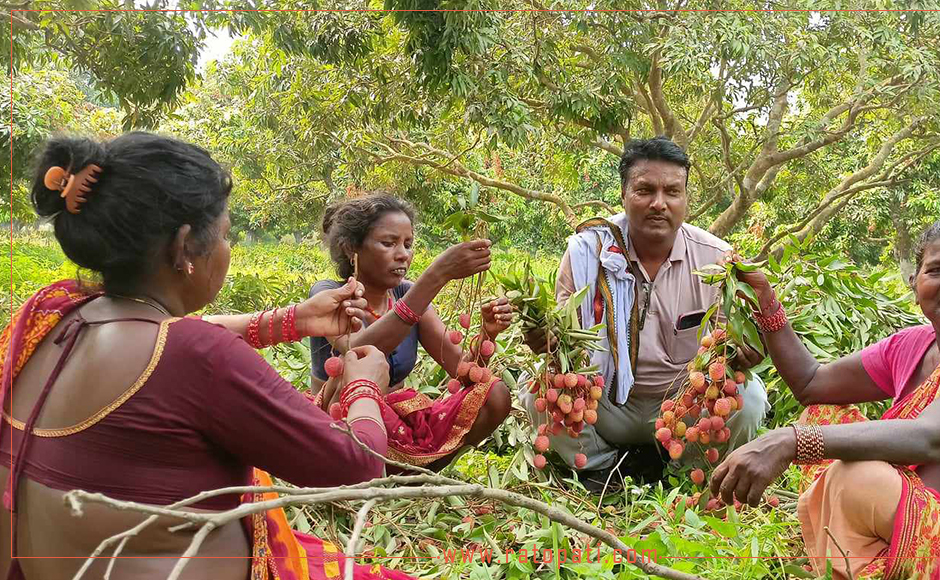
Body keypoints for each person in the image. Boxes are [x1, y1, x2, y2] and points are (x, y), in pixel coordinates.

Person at [1, 132, 419, 580]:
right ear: (185, 248)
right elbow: (355, 468)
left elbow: (181, 337)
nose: (227, 248)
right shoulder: (198, 357)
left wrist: (294, 318)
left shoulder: (53, 312)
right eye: (225, 234)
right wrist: (364, 383)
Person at [710, 216, 940, 579]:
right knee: (823, 416)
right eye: (938, 270)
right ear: (915, 282)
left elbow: (933, 436)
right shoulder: (914, 346)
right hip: (912, 515)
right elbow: (812, 384)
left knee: (855, 478)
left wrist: (791, 442)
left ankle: (856, 554)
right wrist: (766, 303)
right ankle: (861, 548)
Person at [521, 137, 769, 492]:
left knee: (749, 399)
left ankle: (685, 469)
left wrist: (744, 352)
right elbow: (564, 339)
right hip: (606, 403)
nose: (659, 203)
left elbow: (734, 343)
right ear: (623, 195)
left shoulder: (717, 260)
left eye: (672, 191)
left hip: (684, 405)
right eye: (644, 190)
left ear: (685, 199)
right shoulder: (586, 253)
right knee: (539, 392)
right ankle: (604, 468)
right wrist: (547, 341)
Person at [309, 195, 513, 470]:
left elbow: (465, 371)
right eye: (388, 243)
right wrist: (437, 275)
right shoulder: (330, 294)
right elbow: (357, 353)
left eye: (408, 244)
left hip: (399, 428)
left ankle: (414, 475)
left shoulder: (407, 293)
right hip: (341, 425)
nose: (403, 254)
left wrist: (488, 333)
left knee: (495, 394)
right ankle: (376, 473)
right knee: (354, 402)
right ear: (350, 249)